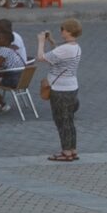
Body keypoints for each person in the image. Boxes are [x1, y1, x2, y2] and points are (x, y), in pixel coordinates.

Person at [41, 18, 84, 162]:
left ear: (69, 32)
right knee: (69, 120)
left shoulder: (65, 49)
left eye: (63, 29)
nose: (61, 31)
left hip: (60, 89)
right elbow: (58, 53)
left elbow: (41, 57)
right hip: (71, 87)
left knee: (61, 120)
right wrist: (51, 41)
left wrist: (41, 42)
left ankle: (66, 152)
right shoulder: (75, 47)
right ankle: (72, 150)